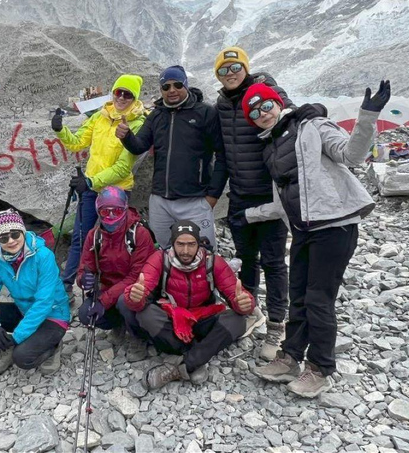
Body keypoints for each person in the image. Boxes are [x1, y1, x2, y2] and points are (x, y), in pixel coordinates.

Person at [242, 81, 391, 397]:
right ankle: (290, 357)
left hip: (335, 226)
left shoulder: (312, 125)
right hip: (303, 230)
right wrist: (246, 215)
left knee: (319, 299)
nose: (262, 113)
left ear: (278, 104)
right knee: (298, 295)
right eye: (254, 111)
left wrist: (367, 116)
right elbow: (283, 200)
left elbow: (351, 155)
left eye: (266, 105)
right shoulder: (270, 146)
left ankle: (320, 368)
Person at [213, 46, 292, 359]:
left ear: (246, 68)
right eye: (223, 70)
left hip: (269, 194)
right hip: (240, 195)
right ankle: (249, 311)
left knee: (273, 262)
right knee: (246, 258)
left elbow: (287, 112)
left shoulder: (264, 89)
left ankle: (276, 327)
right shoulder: (220, 103)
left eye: (235, 68)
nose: (230, 75)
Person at [117, 220, 255, 390]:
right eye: (180, 244)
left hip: (202, 318)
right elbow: (142, 290)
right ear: (172, 244)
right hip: (172, 320)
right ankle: (198, 357)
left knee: (238, 320)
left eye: (191, 244)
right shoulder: (160, 259)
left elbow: (238, 297)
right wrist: (135, 297)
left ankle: (181, 365)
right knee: (143, 312)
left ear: (199, 244)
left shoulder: (213, 262)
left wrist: (244, 303)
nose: (185, 251)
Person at [52, 75, 148, 303]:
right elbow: (78, 142)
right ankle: (67, 286)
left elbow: (124, 167)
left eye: (128, 94)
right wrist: (60, 130)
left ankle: (112, 288)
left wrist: (91, 182)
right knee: (81, 237)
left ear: (135, 98)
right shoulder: (100, 116)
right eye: (118, 92)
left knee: (114, 242)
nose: (122, 98)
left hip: (116, 192)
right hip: (91, 187)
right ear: (113, 93)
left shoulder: (138, 123)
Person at [116, 65, 226, 249]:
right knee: (164, 253)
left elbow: (222, 155)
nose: (172, 90)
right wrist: (126, 136)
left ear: (186, 85)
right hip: (161, 201)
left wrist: (213, 196)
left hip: (195, 200)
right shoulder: (156, 115)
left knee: (203, 253)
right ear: (161, 90)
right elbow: (139, 146)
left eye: (177, 85)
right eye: (166, 87)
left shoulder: (205, 113)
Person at [0, 209, 71, 376]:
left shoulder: (43, 256)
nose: (11, 241)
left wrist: (16, 338)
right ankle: (4, 351)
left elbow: (44, 302)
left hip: (53, 315)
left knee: (22, 358)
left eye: (15, 234)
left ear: (22, 231)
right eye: (3, 237)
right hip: (25, 310)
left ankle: (53, 347)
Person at [76, 186, 156, 336]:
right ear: (98, 211)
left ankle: (138, 334)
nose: (111, 216)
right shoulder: (94, 236)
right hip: (109, 288)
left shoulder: (140, 234)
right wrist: (83, 279)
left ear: (125, 209)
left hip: (137, 289)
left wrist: (103, 301)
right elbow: (85, 267)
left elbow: (136, 276)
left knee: (124, 301)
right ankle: (119, 324)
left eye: (117, 211)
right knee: (85, 313)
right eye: (105, 211)